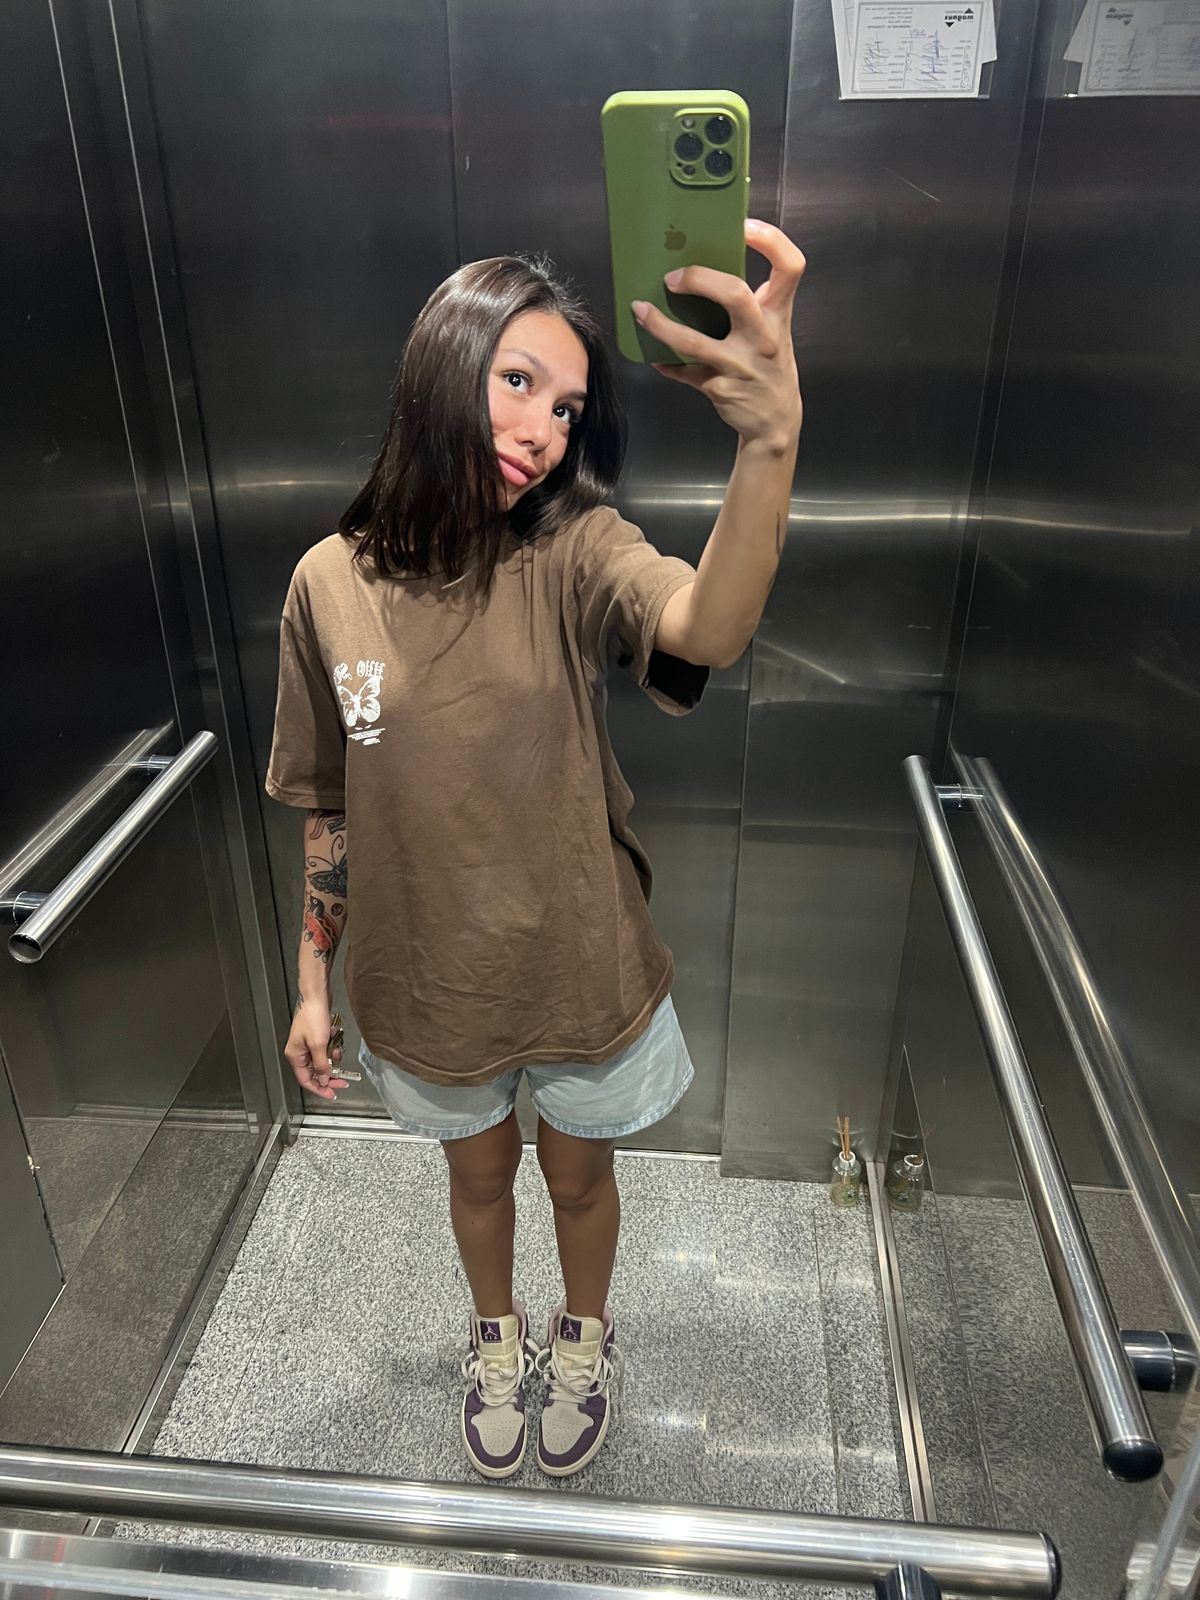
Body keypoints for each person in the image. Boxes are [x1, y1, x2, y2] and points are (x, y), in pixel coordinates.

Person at [266, 218, 804, 1481]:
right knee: (476, 1185)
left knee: (576, 1183)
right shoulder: (326, 584)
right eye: (518, 382)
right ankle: (495, 1339)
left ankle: (583, 1338)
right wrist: (310, 978)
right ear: (440, 369)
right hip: (430, 980)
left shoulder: (573, 548)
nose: (544, 431)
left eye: (566, 408)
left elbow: (703, 624)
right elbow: (329, 801)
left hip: (575, 964)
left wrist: (770, 442)